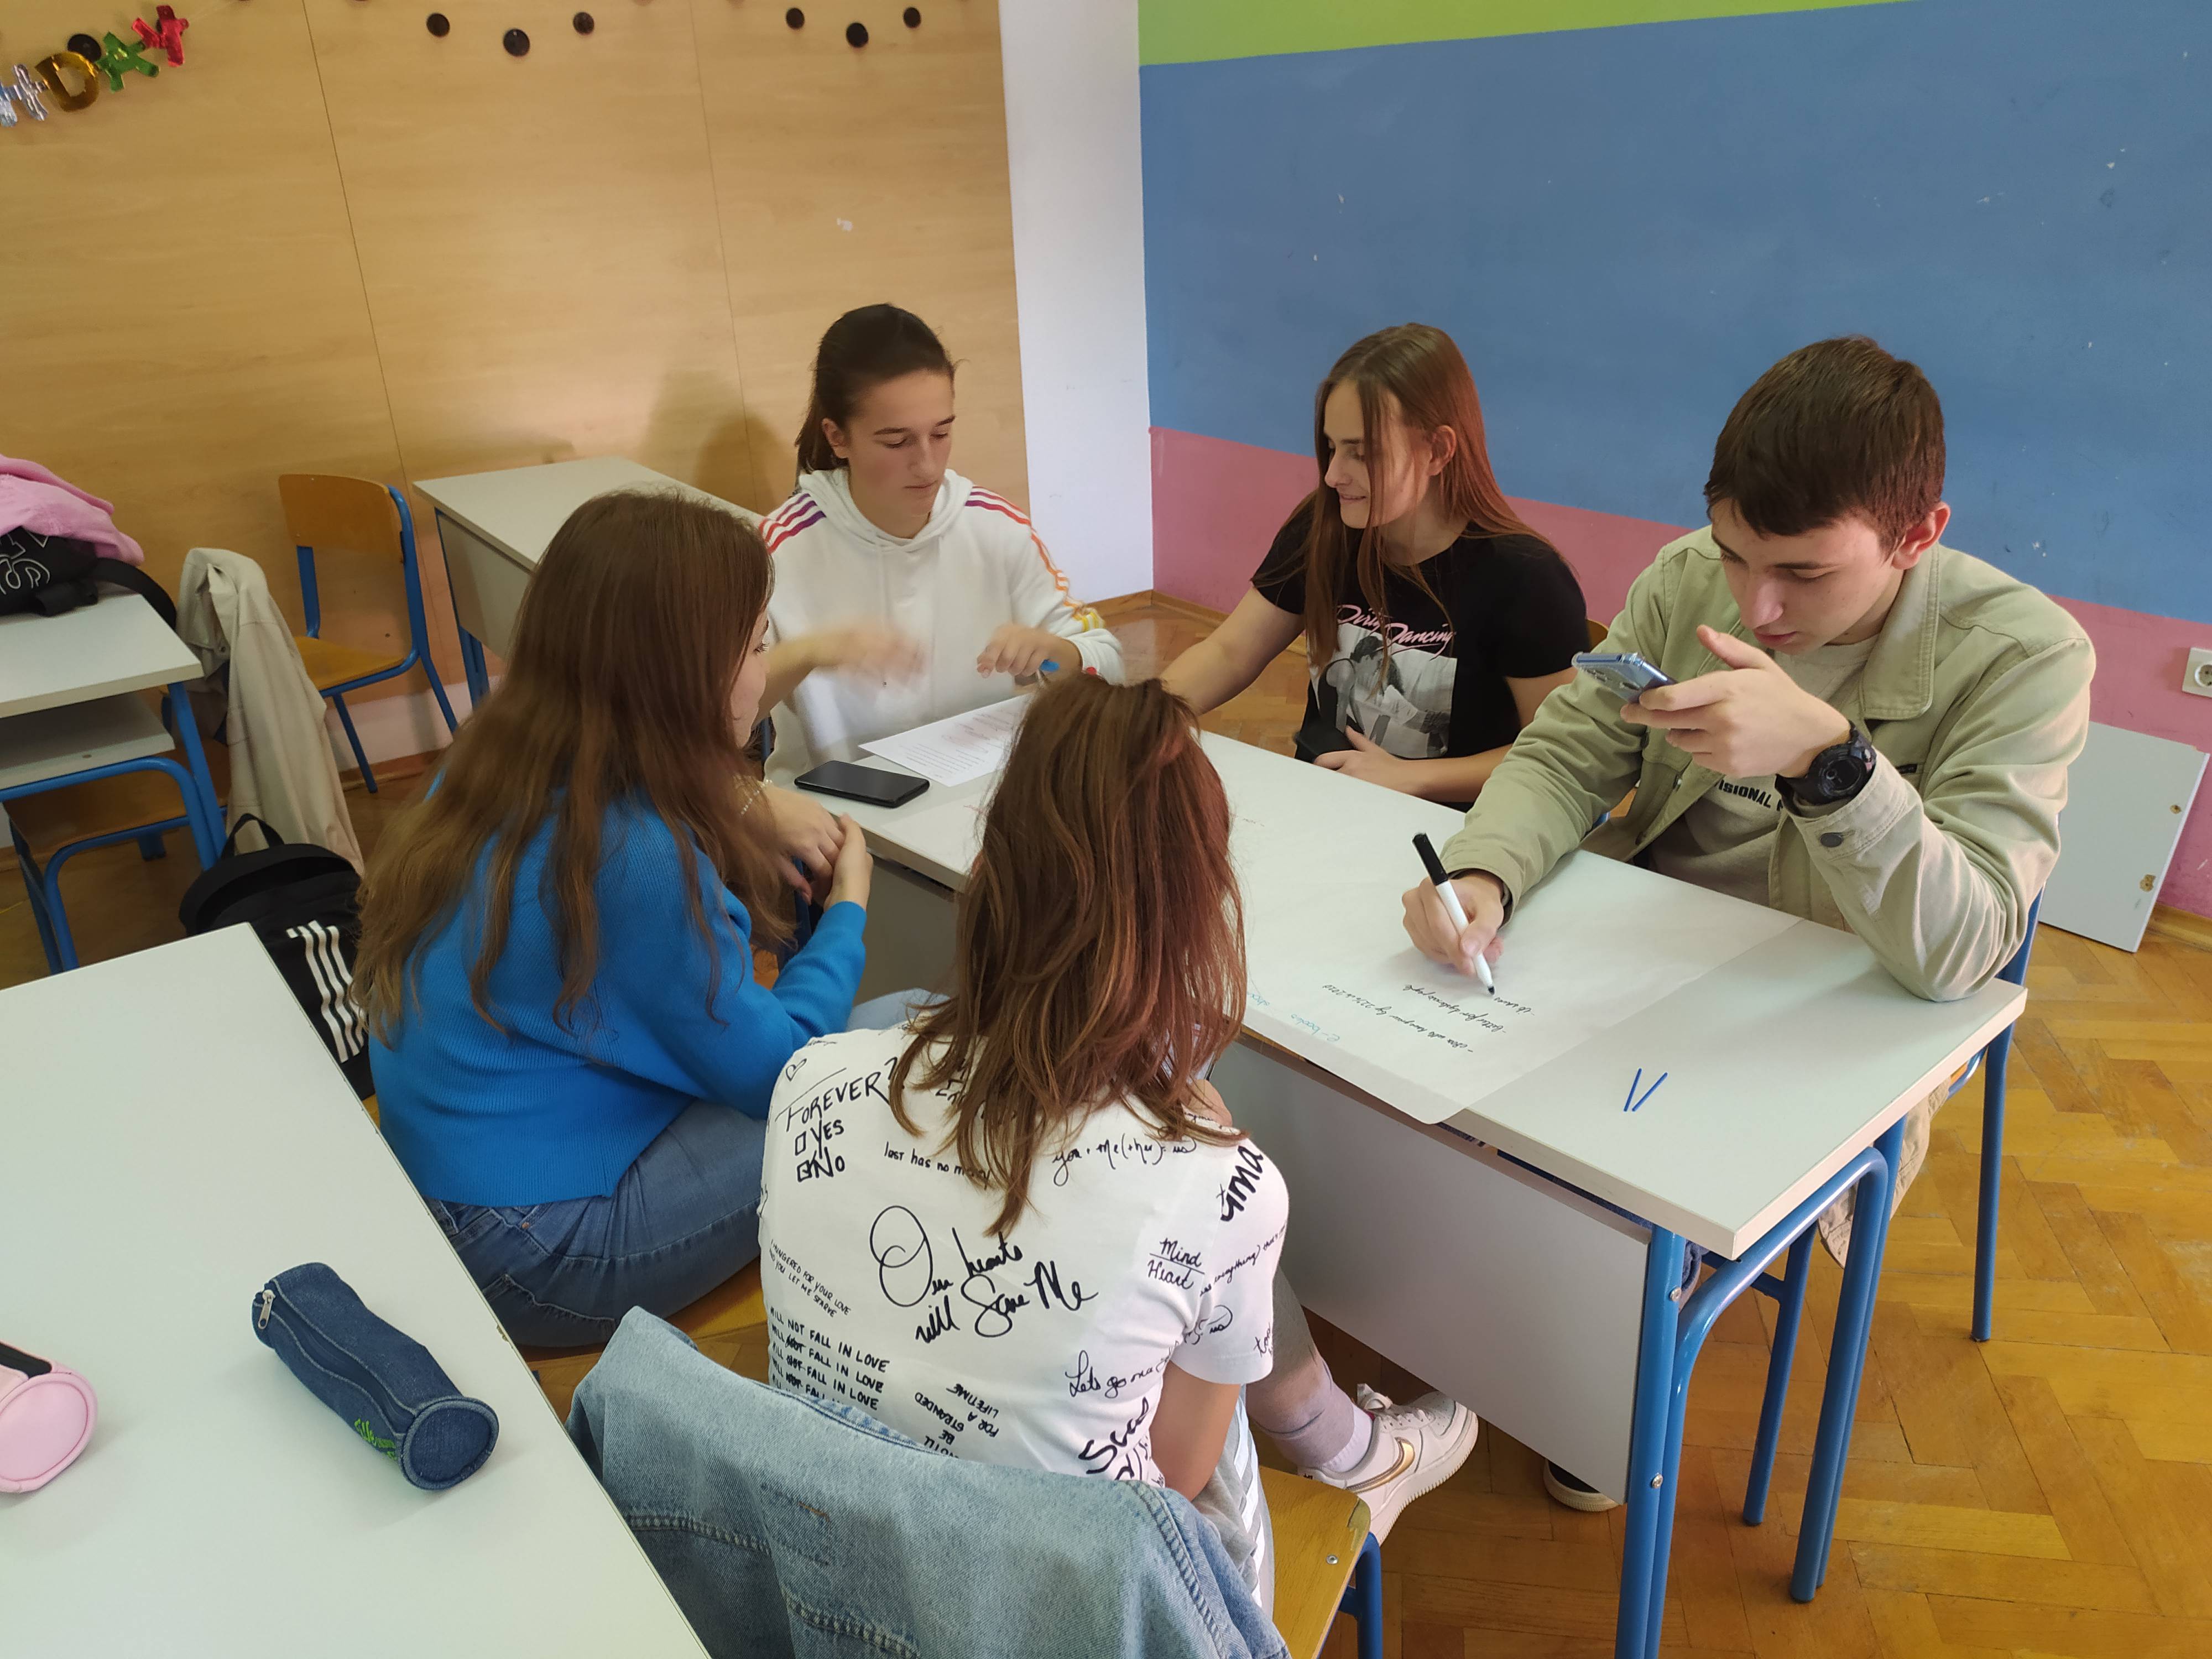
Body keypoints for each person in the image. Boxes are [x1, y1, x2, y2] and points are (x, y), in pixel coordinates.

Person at [1401, 335, 2094, 1511]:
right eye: (1733, 553)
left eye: (1803, 573)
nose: (1755, 605)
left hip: (1838, 994)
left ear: (1917, 535)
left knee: (1622, 1184)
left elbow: (1963, 948)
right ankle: (1508, 1311)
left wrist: (1829, 762)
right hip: (1654, 938)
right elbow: (1568, 752)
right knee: (1434, 1087)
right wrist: (1484, 874)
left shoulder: (2025, 656)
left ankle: (1595, 1354)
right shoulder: (1686, 578)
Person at [758, 676, 1477, 1610]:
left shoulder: (807, 1079)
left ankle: (1344, 1440)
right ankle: (1356, 1457)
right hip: (1079, 1612)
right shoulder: (1223, 1185)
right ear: (1199, 907)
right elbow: (1175, 1475)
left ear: (993, 869)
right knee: (1201, 1323)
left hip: (828, 1583)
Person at [357, 491, 917, 1348]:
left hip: (447, 1178)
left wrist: (740, 807)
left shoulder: (494, 757)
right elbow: (783, 1074)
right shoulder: (636, 858)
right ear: (681, 673)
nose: (765, 671)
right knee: (915, 1033)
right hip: (536, 1250)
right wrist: (847, 908)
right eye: (758, 645)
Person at [1162, 323, 1588, 804]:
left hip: (1456, 825)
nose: (1332, 475)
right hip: (1328, 798)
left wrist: (1413, 778)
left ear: (1438, 451)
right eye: (1331, 447)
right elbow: (1230, 652)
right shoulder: (1322, 528)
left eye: (1361, 453)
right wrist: (1140, 715)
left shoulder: (1525, 577)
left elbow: (1558, 753)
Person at [757, 303, 1124, 779]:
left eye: (942, 432)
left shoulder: (997, 529)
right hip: (834, 809)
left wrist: (1055, 652)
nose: (928, 465)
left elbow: (1109, 663)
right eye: (897, 442)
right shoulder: (779, 550)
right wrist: (810, 652)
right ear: (838, 437)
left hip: (975, 794)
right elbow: (713, 717)